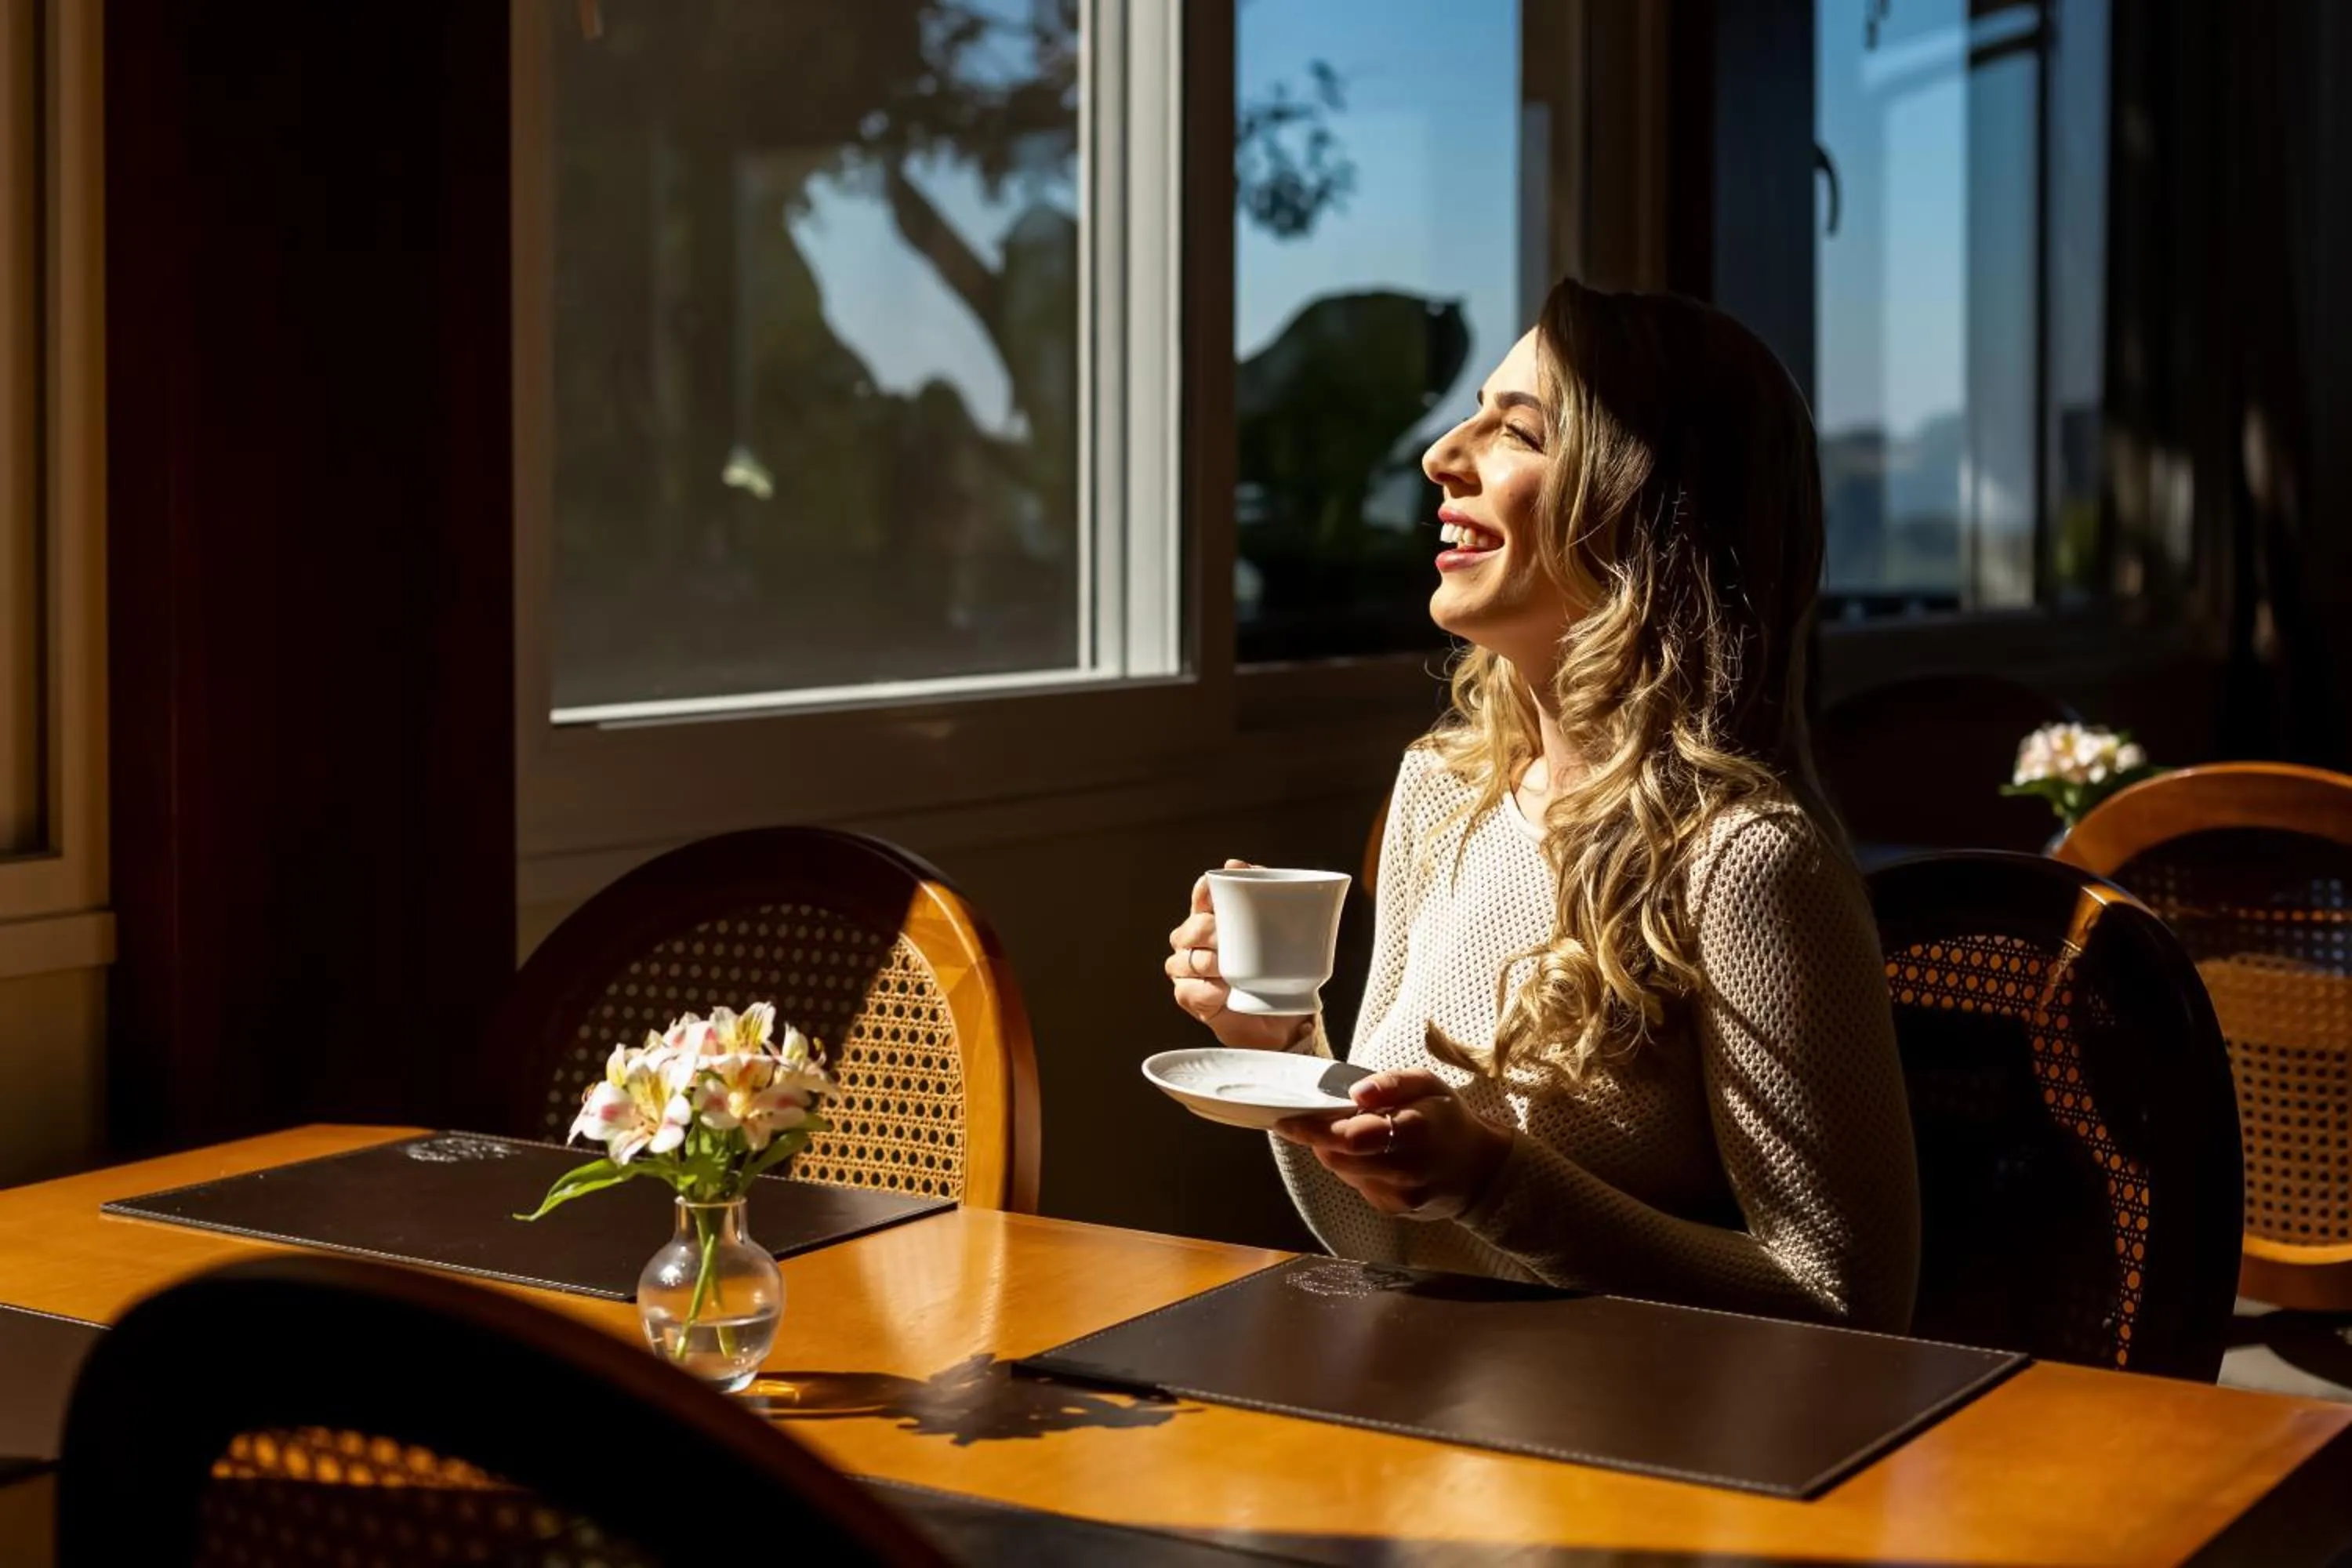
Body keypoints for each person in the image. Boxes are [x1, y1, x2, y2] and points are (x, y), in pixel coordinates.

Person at [1164, 278, 1921, 1332]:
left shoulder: (1744, 860)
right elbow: (1389, 1241)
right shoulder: (1443, 791)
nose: (1442, 454)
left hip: (1649, 1462)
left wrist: (1492, 1180)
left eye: (1516, 430)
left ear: (1650, 509)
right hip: (1448, 1426)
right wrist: (1284, 1050)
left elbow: (1850, 1303)